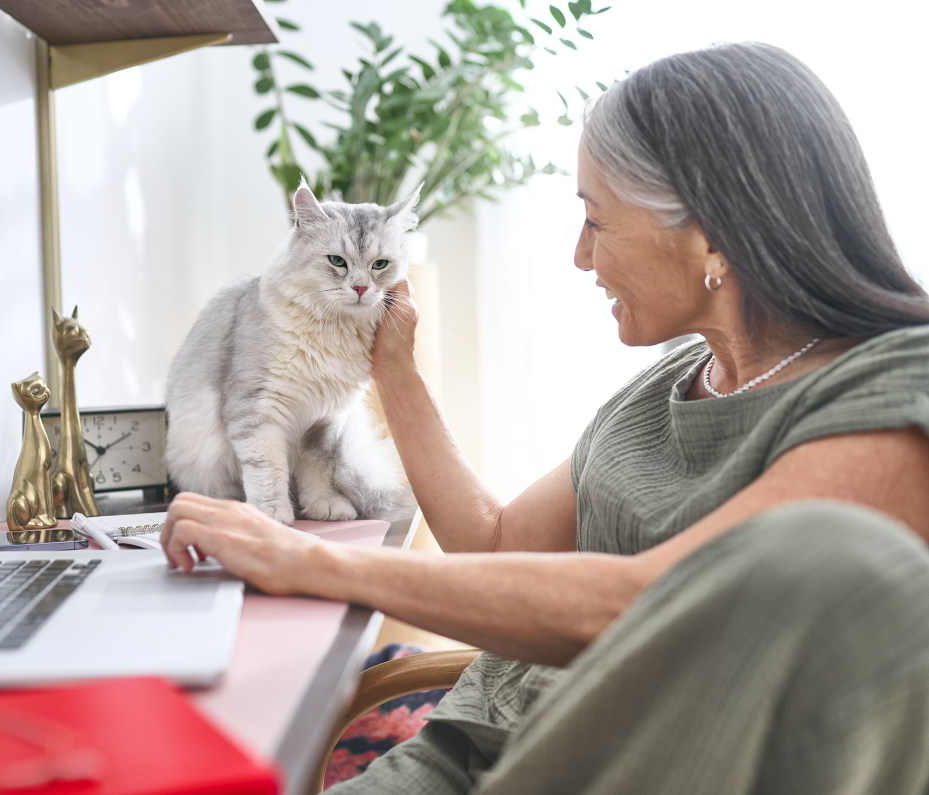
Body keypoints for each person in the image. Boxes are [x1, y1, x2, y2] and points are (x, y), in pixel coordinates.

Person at [162, 42, 929, 794]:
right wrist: (392, 365)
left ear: (710, 233)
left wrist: (309, 561)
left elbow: (648, 603)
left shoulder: (893, 389)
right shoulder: (668, 383)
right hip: (462, 750)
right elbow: (492, 545)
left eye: (595, 221)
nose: (577, 256)